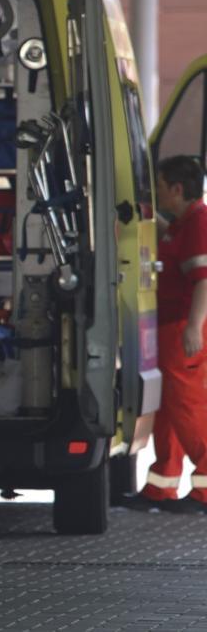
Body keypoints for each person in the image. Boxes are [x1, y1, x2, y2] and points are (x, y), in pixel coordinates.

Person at [134, 155, 207, 513]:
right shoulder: (184, 223)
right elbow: (170, 238)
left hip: (182, 327)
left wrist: (194, 327)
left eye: (160, 186)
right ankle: (161, 484)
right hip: (169, 326)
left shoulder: (198, 223)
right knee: (166, 407)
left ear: (177, 189)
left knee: (185, 405)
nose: (158, 192)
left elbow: (204, 280)